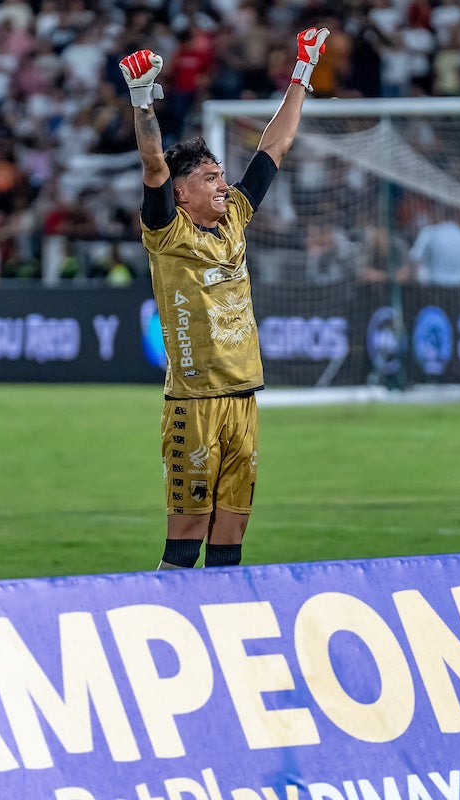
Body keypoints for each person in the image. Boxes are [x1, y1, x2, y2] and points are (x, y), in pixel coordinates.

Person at [120, 26, 330, 570]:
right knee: (185, 543)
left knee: (231, 541)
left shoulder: (234, 215)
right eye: (210, 178)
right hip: (195, 403)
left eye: (221, 176)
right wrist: (144, 101)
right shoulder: (168, 233)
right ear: (182, 194)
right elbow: (152, 166)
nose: (222, 184)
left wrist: (301, 73)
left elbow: (275, 145)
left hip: (244, 400)